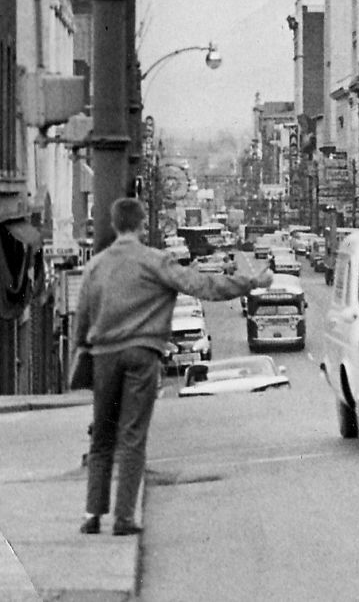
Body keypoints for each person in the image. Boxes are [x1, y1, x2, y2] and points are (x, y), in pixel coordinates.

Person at [73, 197, 271, 536]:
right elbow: (202, 285)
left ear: (115, 223)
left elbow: (82, 318)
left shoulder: (97, 265)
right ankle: (123, 518)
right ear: (139, 225)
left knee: (102, 436)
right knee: (133, 435)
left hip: (104, 355)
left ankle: (93, 515)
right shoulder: (155, 262)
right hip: (143, 353)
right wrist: (251, 283)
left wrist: (83, 347)